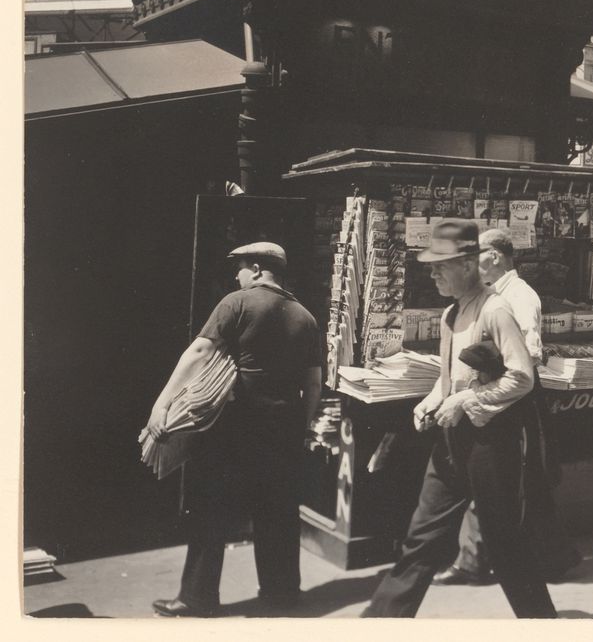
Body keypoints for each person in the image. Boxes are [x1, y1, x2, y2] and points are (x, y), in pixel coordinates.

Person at [364, 220, 555, 618]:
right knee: (420, 538)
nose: (432, 272)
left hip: (492, 444)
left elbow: (522, 377)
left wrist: (466, 399)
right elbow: (447, 377)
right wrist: (432, 402)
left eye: (441, 265)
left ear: (469, 264)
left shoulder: (496, 309)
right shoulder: (451, 314)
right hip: (453, 442)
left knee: (504, 545)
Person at [148, 242, 321, 617]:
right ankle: (281, 594)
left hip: (237, 427)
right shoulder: (306, 317)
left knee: (211, 508)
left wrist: (162, 404)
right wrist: (302, 426)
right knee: (277, 512)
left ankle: (197, 598)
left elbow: (198, 353)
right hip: (284, 428)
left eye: (240, 268)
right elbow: (315, 383)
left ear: (257, 269)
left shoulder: (236, 303)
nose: (236, 276)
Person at [434, 230, 578, 587]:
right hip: (492, 397)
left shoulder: (518, 296)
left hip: (513, 399)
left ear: (495, 256)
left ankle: (535, 562)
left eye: (477, 254)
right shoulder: (486, 297)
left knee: (521, 484)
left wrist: (481, 381)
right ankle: (492, 560)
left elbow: (528, 354)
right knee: (504, 485)